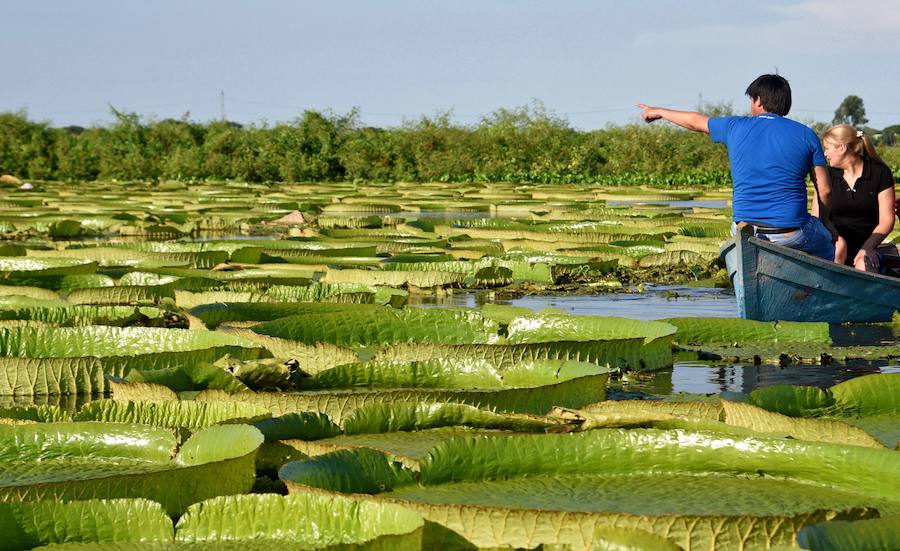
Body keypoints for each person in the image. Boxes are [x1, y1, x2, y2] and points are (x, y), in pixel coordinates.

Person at [639, 74, 835, 261]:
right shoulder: (806, 134)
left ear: (758, 101)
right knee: (826, 242)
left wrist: (660, 112)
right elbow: (825, 190)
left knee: (742, 234)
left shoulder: (735, 126)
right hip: (790, 234)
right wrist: (825, 223)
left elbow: (695, 121)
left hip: (743, 230)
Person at [819, 125, 895, 272]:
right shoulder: (827, 176)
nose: (825, 154)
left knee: (864, 262)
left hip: (869, 244)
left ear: (841, 147)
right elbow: (818, 217)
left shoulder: (880, 173)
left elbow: (887, 220)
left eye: (827, 148)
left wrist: (867, 248)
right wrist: (835, 239)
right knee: (838, 250)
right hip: (834, 244)